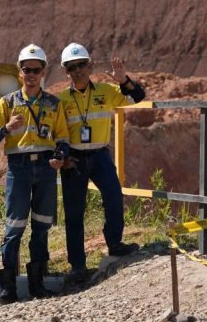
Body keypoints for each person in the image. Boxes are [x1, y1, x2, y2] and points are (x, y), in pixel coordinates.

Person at [0, 43, 69, 304]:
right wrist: (7, 129)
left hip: (45, 167)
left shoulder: (53, 103)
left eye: (36, 69)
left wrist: (59, 157)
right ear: (20, 72)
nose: (31, 74)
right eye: (26, 69)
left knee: (42, 226)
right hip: (18, 168)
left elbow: (63, 138)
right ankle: (8, 289)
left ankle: (37, 285)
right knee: (14, 228)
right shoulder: (7, 103)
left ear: (43, 72)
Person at [57, 42, 146, 284]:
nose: (78, 70)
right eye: (72, 67)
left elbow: (138, 97)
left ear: (90, 65)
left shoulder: (107, 91)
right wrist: (63, 159)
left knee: (114, 196)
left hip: (99, 155)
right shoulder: (62, 99)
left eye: (81, 65)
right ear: (66, 71)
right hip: (74, 159)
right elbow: (57, 132)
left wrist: (123, 79)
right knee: (75, 213)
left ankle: (115, 244)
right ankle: (77, 265)